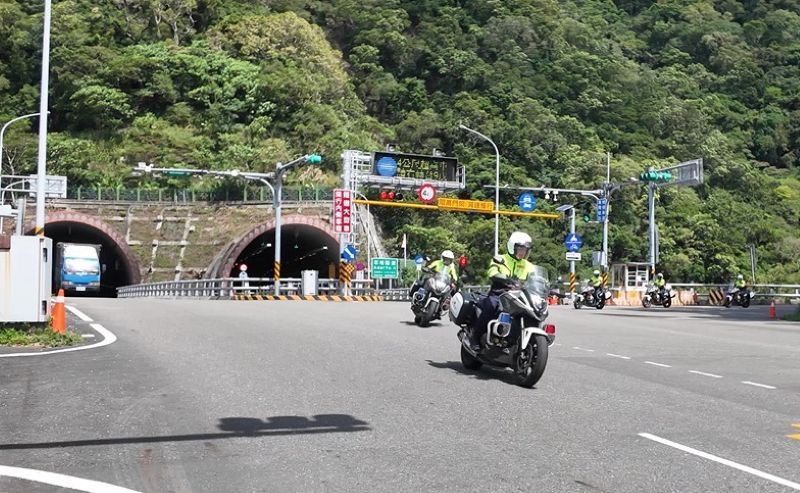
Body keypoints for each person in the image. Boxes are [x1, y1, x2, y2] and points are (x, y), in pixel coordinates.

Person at [467, 232, 535, 351]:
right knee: (491, 305)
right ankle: (475, 336)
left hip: (519, 296)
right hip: (500, 293)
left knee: (532, 312)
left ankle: (516, 342)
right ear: (512, 247)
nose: (522, 252)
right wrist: (502, 277)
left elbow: (535, 280)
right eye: (520, 249)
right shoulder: (501, 259)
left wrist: (547, 288)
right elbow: (492, 272)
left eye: (525, 250)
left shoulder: (529, 266)